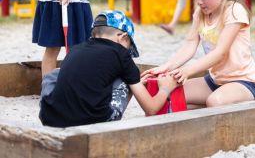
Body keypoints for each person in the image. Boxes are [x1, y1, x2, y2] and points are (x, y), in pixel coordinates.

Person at [142, 0, 255, 109]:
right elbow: (190, 44)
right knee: (171, 95)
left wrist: (187, 71)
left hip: (242, 82)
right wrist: (167, 67)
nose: (198, 2)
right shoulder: (200, 13)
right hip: (214, 81)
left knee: (214, 101)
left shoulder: (234, 11)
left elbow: (220, 53)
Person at [39, 10, 178, 128]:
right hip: (95, 123)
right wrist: (166, 88)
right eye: (129, 46)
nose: (128, 51)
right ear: (123, 37)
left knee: (56, 74)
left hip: (51, 119)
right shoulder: (122, 55)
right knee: (125, 79)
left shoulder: (76, 49)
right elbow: (151, 108)